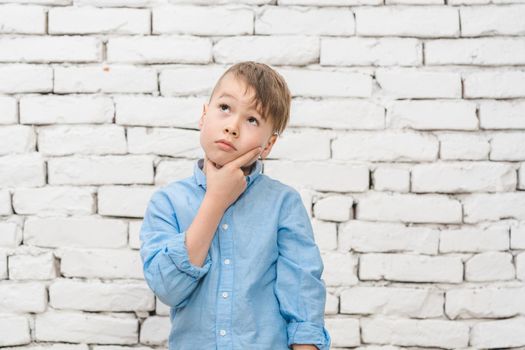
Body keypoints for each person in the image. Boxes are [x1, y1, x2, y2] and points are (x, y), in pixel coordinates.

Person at [139, 61, 331, 350]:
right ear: (204, 116)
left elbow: (303, 300)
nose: (232, 127)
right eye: (225, 108)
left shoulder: (283, 204)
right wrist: (215, 201)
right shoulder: (168, 203)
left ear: (268, 146)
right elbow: (168, 289)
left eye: (252, 120)